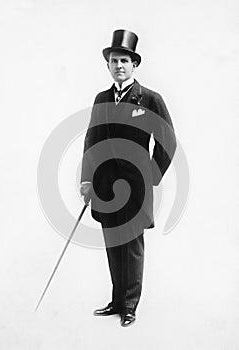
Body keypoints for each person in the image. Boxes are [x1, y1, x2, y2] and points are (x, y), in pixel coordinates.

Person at [80, 29, 176, 327]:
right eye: (114, 61)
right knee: (113, 244)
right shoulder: (101, 98)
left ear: (134, 65)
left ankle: (131, 306)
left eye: (124, 60)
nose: (119, 65)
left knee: (132, 246)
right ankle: (116, 300)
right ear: (108, 66)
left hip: (136, 188)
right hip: (105, 186)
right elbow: (91, 140)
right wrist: (86, 180)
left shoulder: (149, 99)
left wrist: (151, 175)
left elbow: (167, 141)